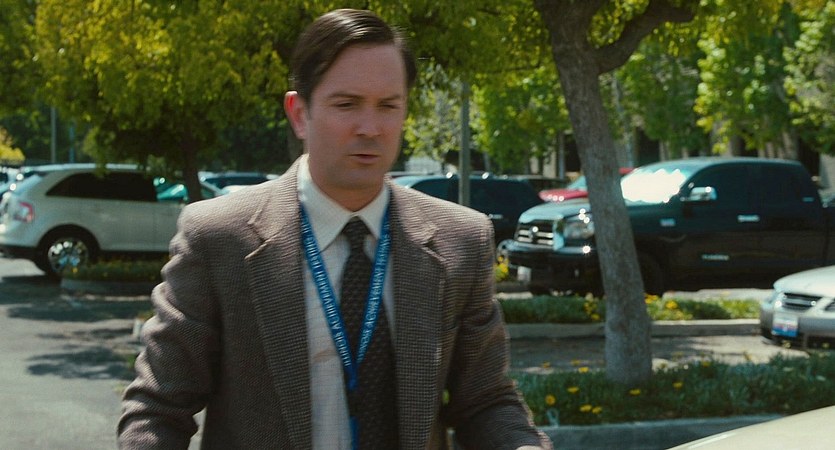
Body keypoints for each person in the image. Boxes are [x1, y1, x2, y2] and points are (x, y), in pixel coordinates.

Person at [118, 8, 552, 450]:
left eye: (388, 106)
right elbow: (158, 408)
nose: (370, 128)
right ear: (299, 113)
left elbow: (484, 401)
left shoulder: (460, 240)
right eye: (347, 104)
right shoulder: (219, 239)